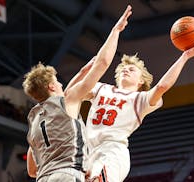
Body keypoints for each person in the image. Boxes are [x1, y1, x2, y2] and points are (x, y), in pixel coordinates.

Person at [23, 5, 132, 182]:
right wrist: (116, 30)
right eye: (57, 81)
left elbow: (31, 170)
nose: (60, 83)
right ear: (51, 87)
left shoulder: (34, 121)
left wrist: (82, 72)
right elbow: (103, 63)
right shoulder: (67, 101)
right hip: (68, 174)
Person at [84, 37, 194, 181]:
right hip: (88, 153)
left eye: (131, 69)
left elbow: (162, 87)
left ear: (141, 80)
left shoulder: (140, 99)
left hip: (112, 152)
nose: (126, 70)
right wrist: (83, 72)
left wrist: (184, 57)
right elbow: (73, 93)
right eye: (123, 69)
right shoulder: (101, 88)